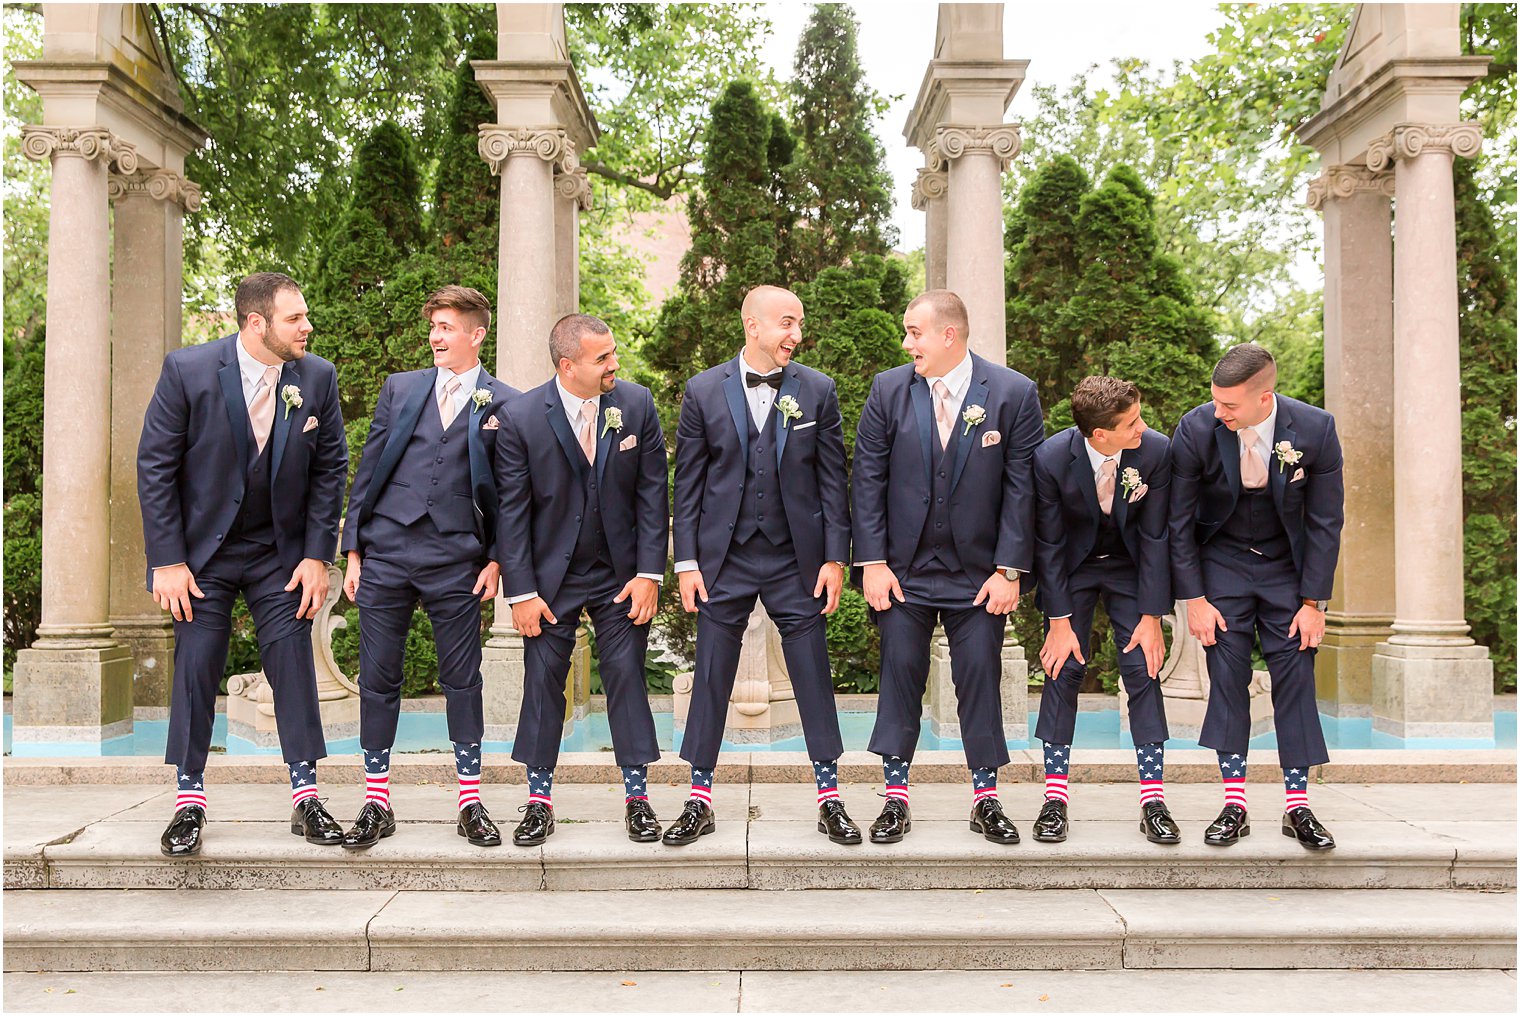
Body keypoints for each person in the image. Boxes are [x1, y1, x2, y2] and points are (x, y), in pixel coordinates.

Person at [138, 271, 347, 857]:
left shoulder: (317, 377)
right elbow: (155, 467)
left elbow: (330, 469)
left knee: (293, 661)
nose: (308, 327)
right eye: (294, 318)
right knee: (198, 664)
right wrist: (168, 561)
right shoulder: (189, 371)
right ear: (257, 323)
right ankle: (188, 803)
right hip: (201, 556)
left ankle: (306, 797)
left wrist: (315, 556)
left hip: (278, 554)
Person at [851, 289, 1044, 845]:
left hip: (978, 575)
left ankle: (986, 800)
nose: (906, 342)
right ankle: (894, 799)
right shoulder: (889, 390)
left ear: (948, 336)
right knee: (900, 674)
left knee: (980, 675)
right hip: (903, 572)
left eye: (914, 332)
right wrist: (873, 563)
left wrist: (1008, 571)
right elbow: (868, 479)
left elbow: (1021, 489)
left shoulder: (1012, 393)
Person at [667, 285, 857, 847]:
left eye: (798, 324)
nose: (796, 335)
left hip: (794, 560)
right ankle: (698, 800)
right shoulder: (703, 389)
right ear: (753, 326)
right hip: (722, 560)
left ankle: (830, 799)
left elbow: (832, 480)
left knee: (813, 676)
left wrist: (834, 558)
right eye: (787, 323)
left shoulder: (817, 391)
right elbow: (690, 483)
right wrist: (686, 562)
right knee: (710, 679)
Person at [338, 285, 516, 849]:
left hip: (457, 560)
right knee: (378, 678)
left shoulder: (504, 401)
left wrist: (497, 559)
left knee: (463, 679)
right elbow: (369, 466)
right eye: (434, 326)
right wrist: (353, 549)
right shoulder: (402, 388)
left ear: (477, 333)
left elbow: (512, 493)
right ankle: (376, 802)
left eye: (447, 327)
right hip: (387, 549)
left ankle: (470, 802)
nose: (436, 336)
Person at [495, 313, 669, 846]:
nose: (614, 363)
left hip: (620, 576)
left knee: (624, 674)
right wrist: (520, 594)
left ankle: (638, 798)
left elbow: (652, 492)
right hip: (550, 579)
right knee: (543, 682)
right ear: (568, 367)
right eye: (602, 358)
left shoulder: (636, 405)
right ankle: (538, 800)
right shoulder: (521, 417)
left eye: (613, 352)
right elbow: (512, 513)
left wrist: (648, 574)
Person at [1170, 343, 1344, 850]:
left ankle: (1297, 807)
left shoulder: (1315, 430)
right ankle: (1234, 805)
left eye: (1230, 406)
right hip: (1221, 561)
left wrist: (1315, 603)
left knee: (1295, 671)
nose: (1218, 413)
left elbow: (1324, 521)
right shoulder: (1197, 428)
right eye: (1216, 402)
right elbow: (1178, 521)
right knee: (1227, 673)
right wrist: (1194, 599)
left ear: (1265, 397)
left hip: (1286, 568)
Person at [1032, 376, 1177, 844]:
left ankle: (1153, 800)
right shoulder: (1052, 458)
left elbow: (1156, 537)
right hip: (1073, 568)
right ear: (1100, 435)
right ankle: (1055, 799)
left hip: (1131, 568)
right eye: (1132, 423)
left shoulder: (1154, 451)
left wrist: (1153, 618)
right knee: (1064, 667)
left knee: (1142, 666)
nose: (1143, 428)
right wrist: (1057, 623)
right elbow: (1049, 544)